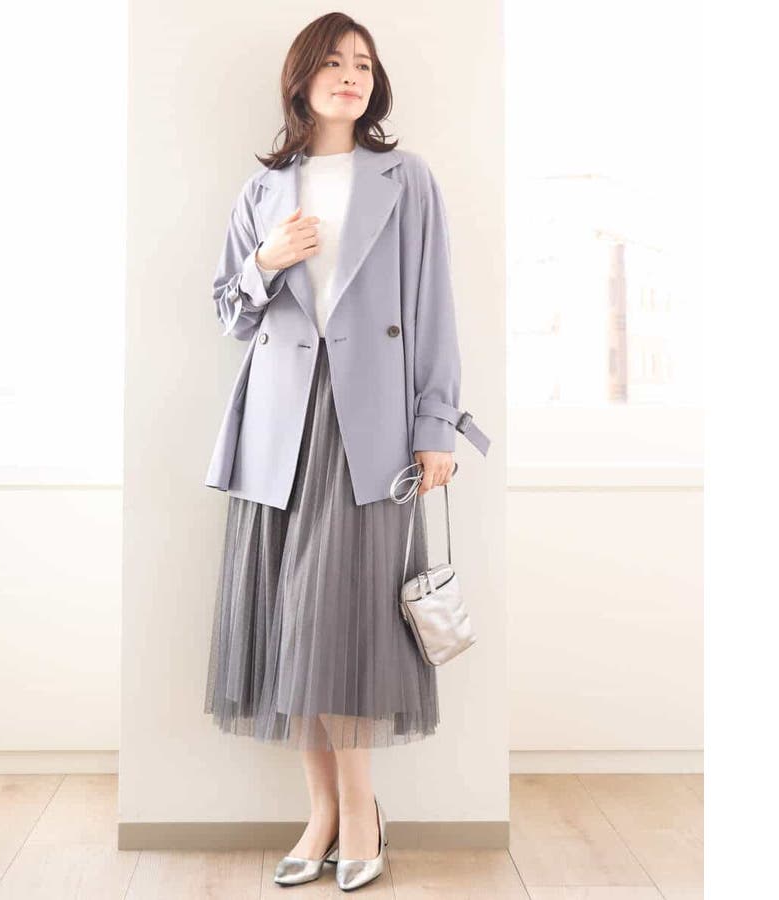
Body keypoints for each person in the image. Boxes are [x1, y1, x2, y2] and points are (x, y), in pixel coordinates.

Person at [203, 12, 488, 892]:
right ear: (302, 79)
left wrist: (436, 426)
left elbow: (434, 306)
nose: (350, 74)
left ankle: (360, 813)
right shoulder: (265, 191)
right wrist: (265, 260)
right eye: (332, 61)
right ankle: (323, 813)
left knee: (344, 623)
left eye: (362, 62)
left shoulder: (407, 179)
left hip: (371, 426)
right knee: (290, 626)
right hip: (277, 426)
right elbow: (229, 314)